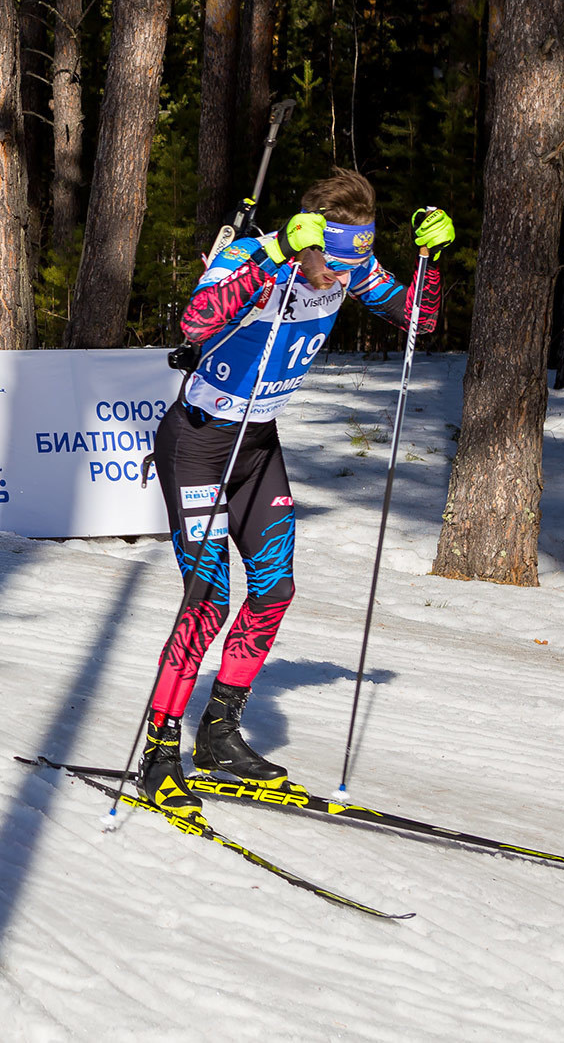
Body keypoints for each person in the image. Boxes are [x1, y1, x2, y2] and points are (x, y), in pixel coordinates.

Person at [137, 168, 453, 817]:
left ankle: (219, 734)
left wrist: (431, 260)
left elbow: (419, 319)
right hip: (197, 443)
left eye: (356, 261)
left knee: (275, 589)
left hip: (256, 446)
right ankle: (160, 751)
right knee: (206, 603)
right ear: (309, 242)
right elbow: (195, 321)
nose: (345, 278)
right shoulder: (257, 255)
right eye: (335, 264)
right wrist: (275, 253)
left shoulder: (352, 264)